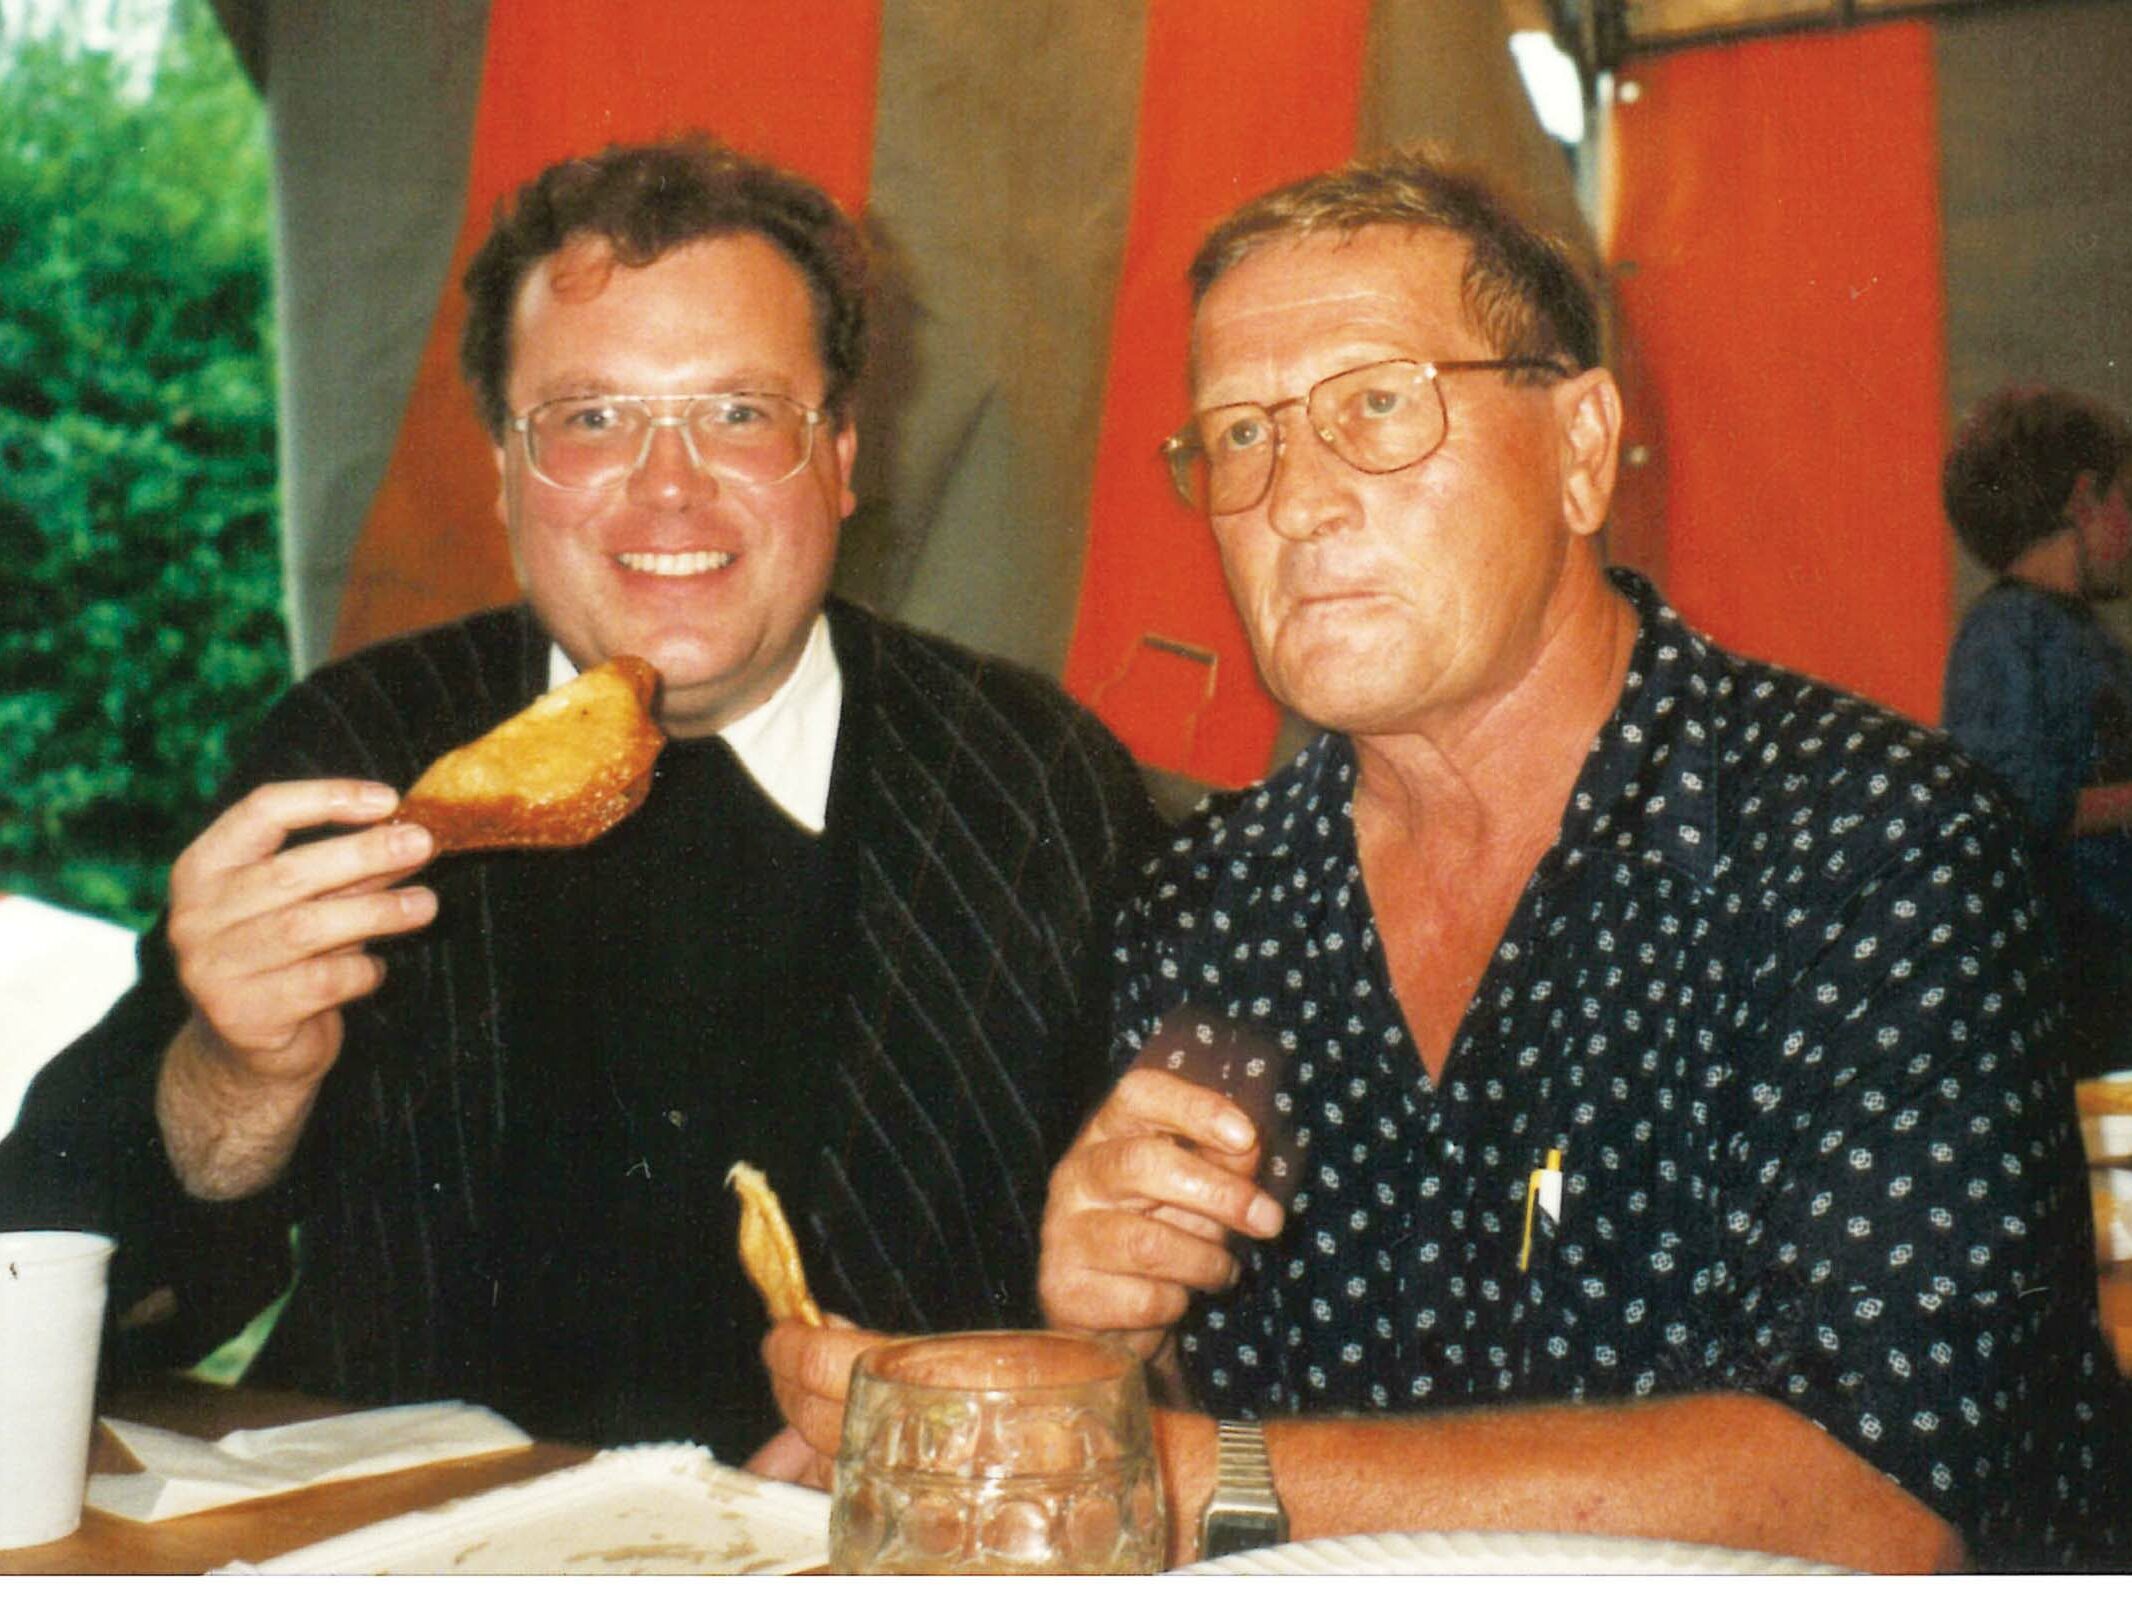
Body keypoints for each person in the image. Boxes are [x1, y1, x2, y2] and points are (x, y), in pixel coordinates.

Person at [766, 149, 2131, 1571]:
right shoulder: (1207, 906)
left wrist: (1181, 1470)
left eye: (1376, 405)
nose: (1292, 501)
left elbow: (1884, 1493)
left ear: (1582, 450)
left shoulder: (1869, 840)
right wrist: (1120, 1335)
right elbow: (1211, 1426)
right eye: (1238, 435)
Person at [0, 135, 1157, 1463]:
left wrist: (967, 1420)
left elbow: (1160, 1288)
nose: (668, 487)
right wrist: (234, 1070)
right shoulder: (362, 754)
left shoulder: (1033, 785)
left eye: (740, 412)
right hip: (404, 1536)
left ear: (840, 455)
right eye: (591, 419)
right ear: (503, 470)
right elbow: (60, 1285)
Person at [1942, 385, 2132, 1075]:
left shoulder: (2071, 630)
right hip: (2072, 984)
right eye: (2125, 498)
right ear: (2084, 500)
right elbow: (2009, 803)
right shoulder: (2006, 632)